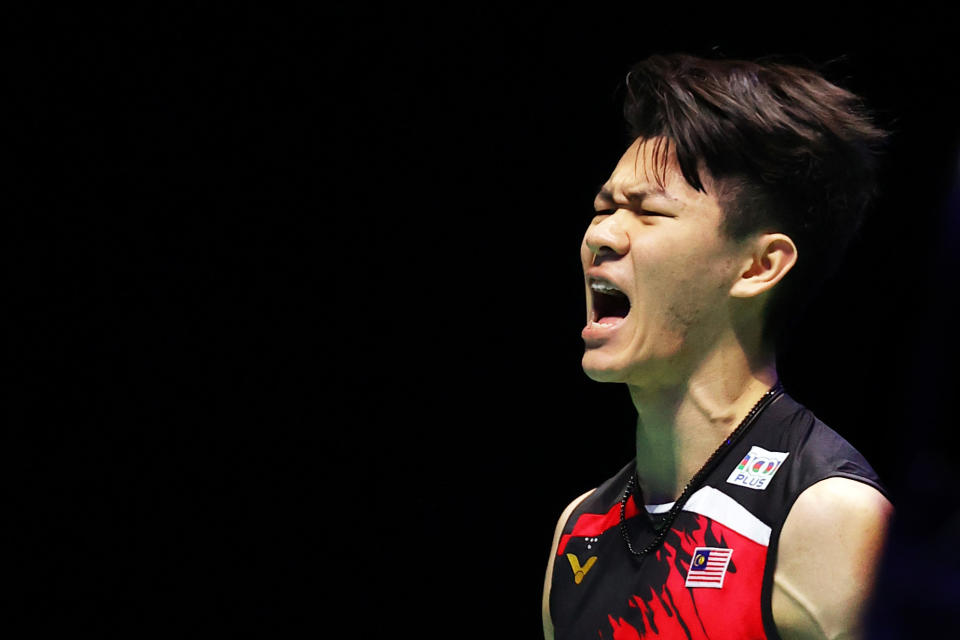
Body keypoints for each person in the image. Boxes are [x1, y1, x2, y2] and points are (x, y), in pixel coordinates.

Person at [542, 54, 894, 639]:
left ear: (758, 267)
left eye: (647, 212)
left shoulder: (822, 515)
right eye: (604, 209)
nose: (600, 235)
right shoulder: (579, 528)